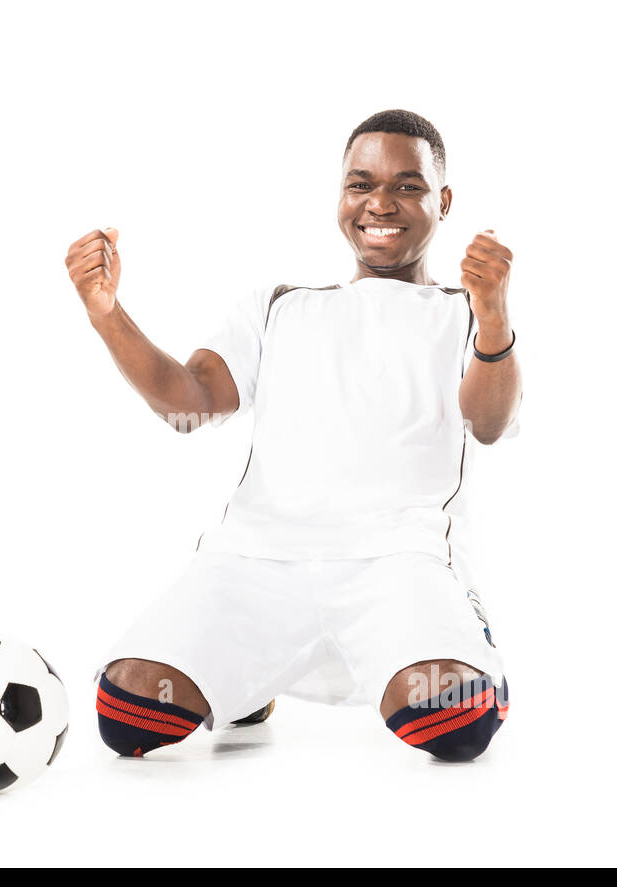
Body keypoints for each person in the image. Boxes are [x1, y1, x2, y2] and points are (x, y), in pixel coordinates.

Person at [64, 109, 520, 762]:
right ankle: (246, 675)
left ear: (442, 201)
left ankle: (454, 650)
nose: (379, 203)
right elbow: (189, 403)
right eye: (360, 184)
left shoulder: (462, 311)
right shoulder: (280, 305)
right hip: (259, 561)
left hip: (398, 566)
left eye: (408, 186)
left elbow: (489, 422)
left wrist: (495, 315)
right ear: (341, 195)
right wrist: (107, 315)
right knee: (129, 713)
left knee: (455, 720)